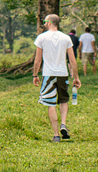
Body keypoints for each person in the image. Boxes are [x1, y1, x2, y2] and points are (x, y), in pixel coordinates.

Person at [33, 14, 81, 142]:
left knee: (51, 103)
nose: (44, 24)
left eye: (44, 21)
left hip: (48, 74)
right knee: (63, 101)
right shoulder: (66, 38)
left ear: (49, 22)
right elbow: (72, 60)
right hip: (63, 74)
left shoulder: (41, 38)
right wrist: (76, 77)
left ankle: (55, 135)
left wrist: (35, 75)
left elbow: (37, 59)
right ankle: (63, 124)